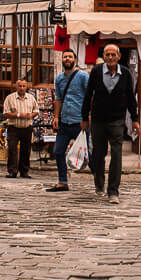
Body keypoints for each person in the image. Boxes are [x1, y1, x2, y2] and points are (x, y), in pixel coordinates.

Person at [81, 43, 140, 204]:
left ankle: (113, 190)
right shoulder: (96, 71)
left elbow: (130, 98)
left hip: (117, 120)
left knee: (116, 155)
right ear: (104, 56)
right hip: (98, 120)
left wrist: (134, 119)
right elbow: (88, 96)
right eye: (107, 54)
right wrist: (84, 118)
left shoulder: (126, 74)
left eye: (113, 55)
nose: (110, 58)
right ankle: (99, 183)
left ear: (119, 57)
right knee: (98, 154)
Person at [47, 49, 90, 192]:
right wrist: (56, 117)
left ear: (75, 60)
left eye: (70, 57)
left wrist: (88, 116)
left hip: (80, 122)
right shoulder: (59, 79)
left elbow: (91, 96)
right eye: (65, 57)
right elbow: (58, 99)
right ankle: (62, 182)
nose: (67, 59)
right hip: (65, 122)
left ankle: (99, 181)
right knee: (58, 151)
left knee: (88, 155)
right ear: (62, 60)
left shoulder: (83, 76)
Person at [2, 78, 37, 179]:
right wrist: (18, 115)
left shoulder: (31, 98)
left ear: (27, 87)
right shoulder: (10, 98)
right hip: (14, 127)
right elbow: (5, 113)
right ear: (16, 86)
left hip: (26, 127)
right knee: (12, 149)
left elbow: (36, 110)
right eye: (20, 86)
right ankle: (12, 171)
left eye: (23, 86)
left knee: (26, 150)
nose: (22, 88)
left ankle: (24, 171)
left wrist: (31, 115)